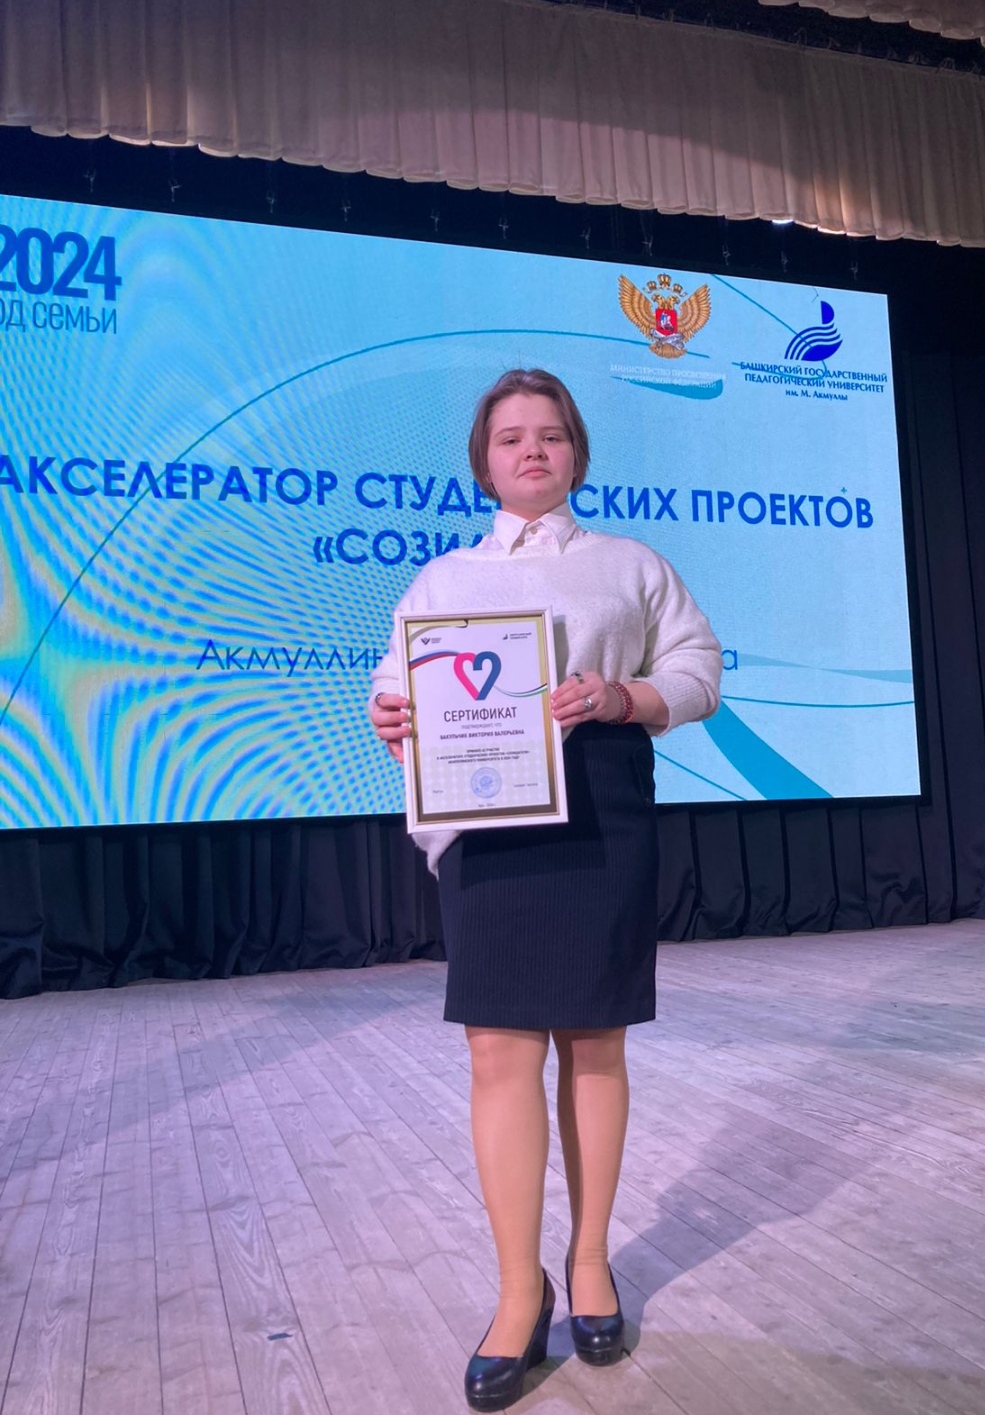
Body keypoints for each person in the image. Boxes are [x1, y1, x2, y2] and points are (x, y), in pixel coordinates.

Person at [370, 369, 721, 1411]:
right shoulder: (442, 578)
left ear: (576, 453)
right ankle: (518, 1290)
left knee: (595, 1039)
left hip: (601, 803)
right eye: (511, 437)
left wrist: (621, 693)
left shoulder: (631, 563)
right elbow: (393, 682)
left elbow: (698, 670)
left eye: (551, 434)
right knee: (498, 1049)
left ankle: (591, 1261)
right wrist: (392, 711)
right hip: (490, 814)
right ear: (482, 463)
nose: (532, 450)